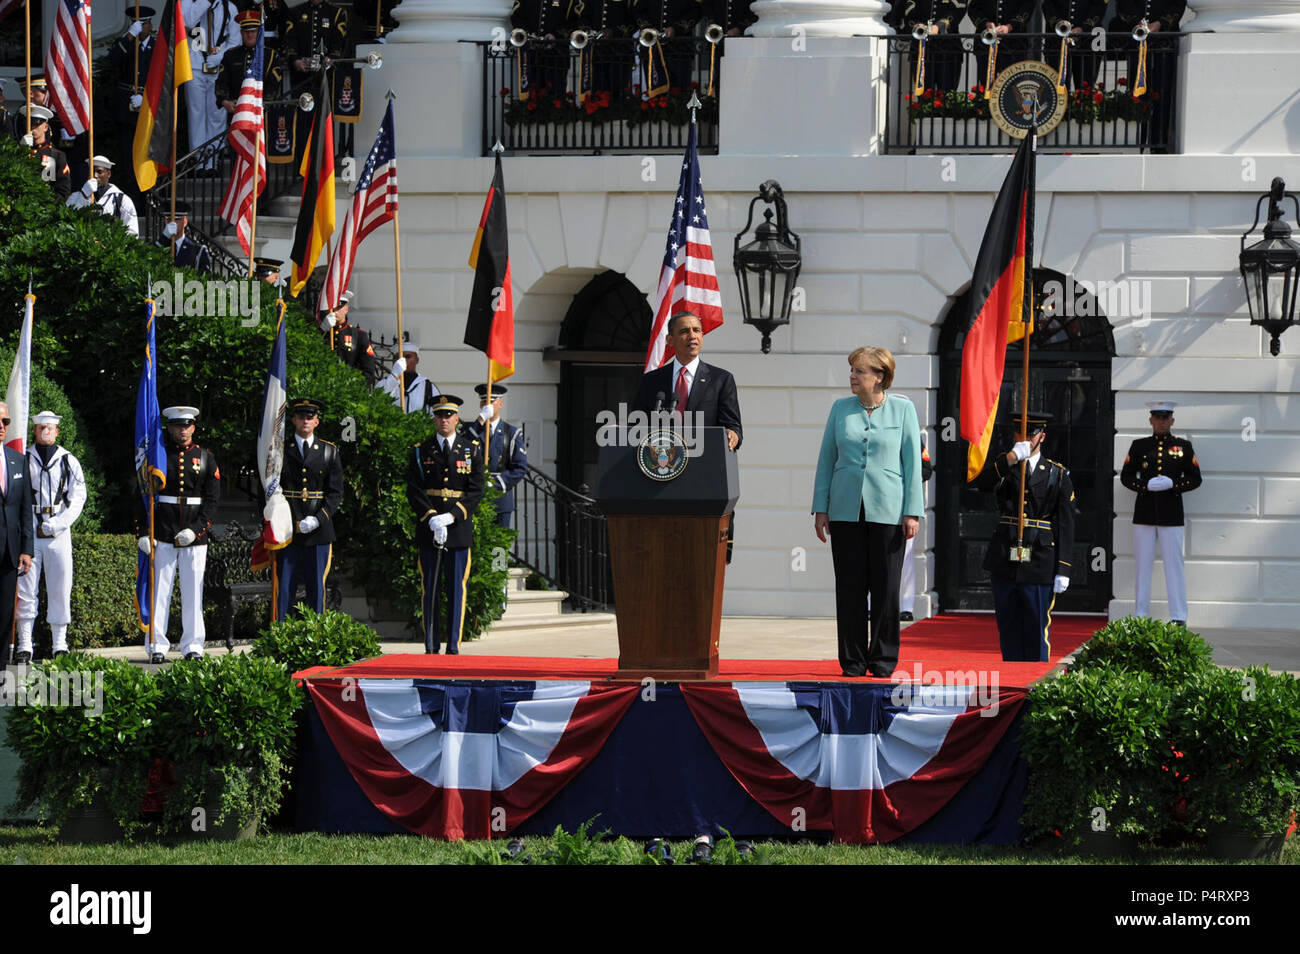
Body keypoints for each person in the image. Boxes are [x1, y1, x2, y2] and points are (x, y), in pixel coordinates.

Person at [812, 347, 922, 678]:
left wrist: (912, 511)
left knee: (886, 589)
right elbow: (826, 460)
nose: (852, 376)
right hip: (845, 510)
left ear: (879, 376)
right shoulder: (840, 409)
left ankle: (884, 660)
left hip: (889, 511)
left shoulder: (903, 409)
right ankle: (853, 661)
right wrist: (821, 508)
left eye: (859, 371)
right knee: (850, 588)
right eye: (852, 370)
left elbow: (912, 464)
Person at [976, 411, 1076, 662]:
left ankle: (1035, 683)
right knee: (1008, 626)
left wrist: (1063, 568)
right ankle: (1012, 679)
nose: (1025, 438)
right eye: (1020, 432)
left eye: (1031, 434)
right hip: (1005, 556)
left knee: (1036, 626)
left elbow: (1065, 523)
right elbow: (982, 484)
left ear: (1042, 436)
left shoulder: (1057, 473)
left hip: (1040, 559)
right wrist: (1010, 458)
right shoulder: (1005, 465)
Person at [136, 406, 221, 663]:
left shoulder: (206, 457)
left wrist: (196, 531)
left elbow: (212, 500)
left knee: (193, 592)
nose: (181, 431)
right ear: (169, 428)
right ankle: (157, 646)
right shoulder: (158, 457)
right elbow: (142, 494)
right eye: (176, 426)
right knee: (160, 591)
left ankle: (193, 646)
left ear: (193, 427)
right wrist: (143, 531)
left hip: (194, 536)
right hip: (162, 532)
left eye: (186, 426)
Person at [406, 395, 483, 654]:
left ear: (457, 418)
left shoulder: (471, 449)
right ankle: (430, 646)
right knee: (431, 589)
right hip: (429, 529)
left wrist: (452, 517)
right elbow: (414, 489)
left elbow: (476, 491)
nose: (444, 420)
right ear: (434, 418)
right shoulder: (421, 450)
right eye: (439, 415)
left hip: (458, 529)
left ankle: (453, 646)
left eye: (449, 415)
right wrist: (431, 518)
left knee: (456, 590)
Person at [1120, 400, 1201, 625]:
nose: (1161, 421)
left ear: (1172, 420)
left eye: (1165, 417)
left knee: (1174, 565)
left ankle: (1178, 616)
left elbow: (1195, 478)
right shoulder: (1139, 446)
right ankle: (1141, 615)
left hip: (1171, 513)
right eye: (1157, 417)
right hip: (1144, 513)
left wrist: (1173, 485)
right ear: (1151, 420)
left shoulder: (1183, 446)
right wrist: (1144, 486)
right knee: (1142, 566)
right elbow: (1126, 476)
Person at [14, 411, 87, 662]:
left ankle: (59, 643)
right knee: (25, 588)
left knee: (60, 588)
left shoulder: (69, 460)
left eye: (50, 428)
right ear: (34, 430)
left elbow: (78, 498)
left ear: (57, 431)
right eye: (41, 427)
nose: (46, 431)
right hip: (30, 528)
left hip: (58, 531)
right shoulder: (23, 459)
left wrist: (58, 523)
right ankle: (25, 644)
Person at [631, 310, 742, 451]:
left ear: (702, 336)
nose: (692, 336)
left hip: (705, 459)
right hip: (662, 461)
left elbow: (733, 426)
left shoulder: (721, 379)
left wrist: (733, 435)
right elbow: (636, 424)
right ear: (670, 340)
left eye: (696, 330)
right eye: (684, 331)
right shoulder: (651, 380)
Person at [276, 399, 343, 619]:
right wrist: (287, 521)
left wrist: (318, 519)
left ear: (317, 421)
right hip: (288, 529)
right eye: (301, 416)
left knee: (316, 588)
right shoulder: (281, 450)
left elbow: (335, 493)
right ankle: (282, 637)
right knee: (285, 588)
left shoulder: (329, 451)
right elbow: (271, 489)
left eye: (309, 417)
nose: (305, 421)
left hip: (319, 530)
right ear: (294, 420)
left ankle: (316, 638)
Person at [181, 0, 241, 173]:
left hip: (218, 67)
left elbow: (235, 40)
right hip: (194, 63)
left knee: (217, 113)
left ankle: (213, 160)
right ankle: (199, 162)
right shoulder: (188, 3)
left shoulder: (229, 7)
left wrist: (221, 56)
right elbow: (187, 21)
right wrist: (204, 2)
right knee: (197, 114)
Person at [107, 4, 156, 206]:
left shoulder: (157, 47)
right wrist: (129, 36)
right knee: (128, 156)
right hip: (125, 108)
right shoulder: (125, 44)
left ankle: (148, 198)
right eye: (139, 24)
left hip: (147, 107)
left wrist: (145, 99)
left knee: (146, 155)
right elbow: (112, 61)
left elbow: (163, 78)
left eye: (145, 24)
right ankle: (133, 199)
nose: (143, 27)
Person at [463, 384, 528, 529]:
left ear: (500, 403)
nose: (488, 405)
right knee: (474, 546)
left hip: (500, 499)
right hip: (473, 497)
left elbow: (520, 468)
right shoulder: (470, 429)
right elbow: (462, 449)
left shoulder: (511, 433)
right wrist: (480, 420)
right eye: (484, 401)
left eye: (491, 401)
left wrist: (495, 484)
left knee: (497, 548)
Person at [0, 403, 35, 666]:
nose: (1, 427)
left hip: (9, 554)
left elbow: (25, 510)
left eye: (5, 422)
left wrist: (26, 549)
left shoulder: (17, 460)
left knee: (4, 617)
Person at [216, 10, 283, 119]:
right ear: (241, 32)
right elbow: (221, 82)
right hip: (236, 111)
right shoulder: (230, 55)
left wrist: (262, 103)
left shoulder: (270, 55)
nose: (250, 35)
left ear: (259, 32)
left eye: (253, 31)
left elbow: (274, 84)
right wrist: (224, 101)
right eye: (246, 32)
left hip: (262, 112)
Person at [899, 429, 932, 622]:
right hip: (876, 504)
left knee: (905, 557)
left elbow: (926, 469)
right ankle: (870, 604)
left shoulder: (910, 435)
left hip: (902, 504)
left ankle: (906, 605)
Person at [968, 0, 1034, 91]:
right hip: (986, 45)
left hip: (1014, 44)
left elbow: (1028, 7)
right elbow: (973, 8)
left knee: (1013, 87)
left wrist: (1009, 26)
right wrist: (985, 24)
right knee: (986, 86)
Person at [66, 155, 140, 236]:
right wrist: (84, 196)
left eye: (99, 172)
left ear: (108, 174)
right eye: (91, 172)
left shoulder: (122, 200)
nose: (95, 175)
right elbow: (67, 218)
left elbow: (132, 232)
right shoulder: (76, 196)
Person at [321, 290, 377, 381]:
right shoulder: (322, 333)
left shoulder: (359, 336)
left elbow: (368, 371)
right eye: (332, 307)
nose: (335, 311)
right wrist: (322, 331)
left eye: (338, 307)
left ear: (346, 309)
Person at [20, 105, 71, 200]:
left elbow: (63, 190)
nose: (32, 128)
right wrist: (21, 150)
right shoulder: (18, 152)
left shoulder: (56, 155)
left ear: (45, 127)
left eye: (36, 124)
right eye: (29, 124)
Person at [379, 340, 439, 414]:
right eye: (399, 357)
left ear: (417, 360)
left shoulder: (428, 387)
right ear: (395, 361)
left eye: (408, 357)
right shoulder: (384, 384)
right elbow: (378, 402)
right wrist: (394, 375)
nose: (403, 361)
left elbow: (435, 415)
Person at [158, 203, 213, 272]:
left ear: (185, 222)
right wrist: (164, 237)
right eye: (169, 220)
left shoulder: (198, 250)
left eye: (176, 219)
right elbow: (147, 260)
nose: (173, 223)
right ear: (166, 222)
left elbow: (205, 279)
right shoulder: (160, 247)